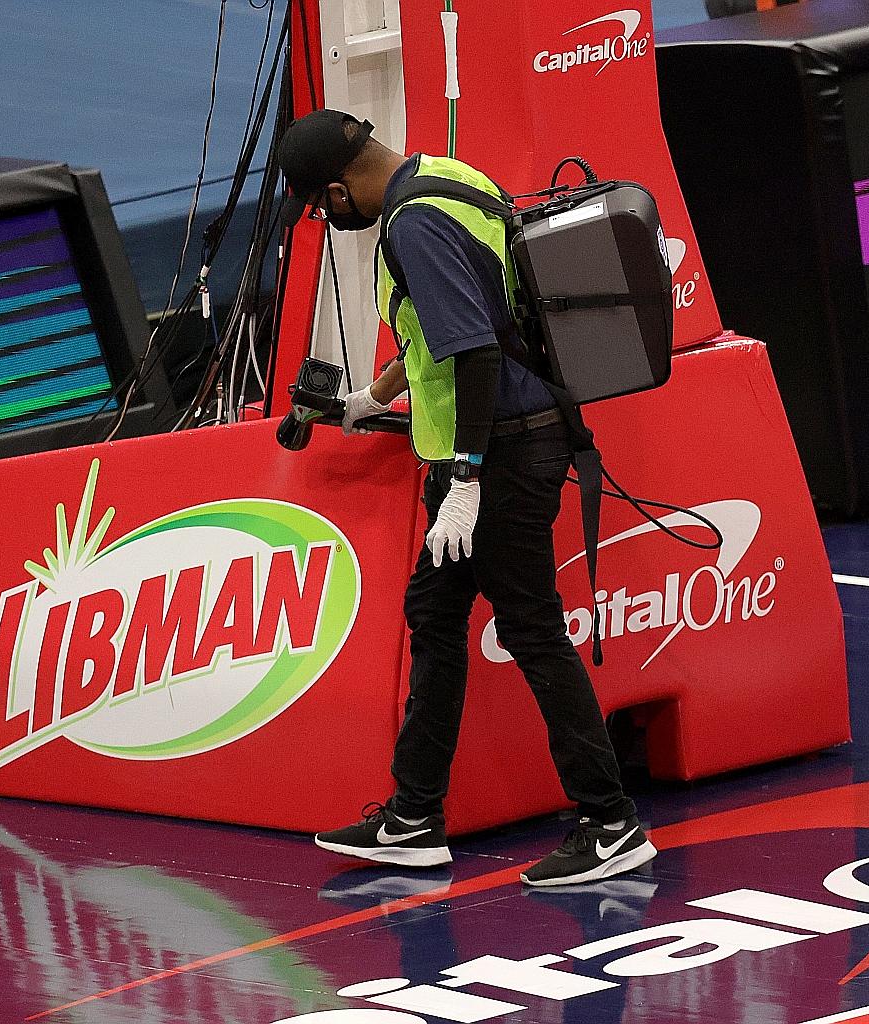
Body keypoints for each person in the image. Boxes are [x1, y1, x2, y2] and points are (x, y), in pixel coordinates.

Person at [277, 108, 656, 887]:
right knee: (436, 616)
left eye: (321, 205)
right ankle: (414, 816)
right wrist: (366, 398)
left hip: (501, 452)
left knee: (531, 629)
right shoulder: (449, 175)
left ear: (341, 190)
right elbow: (442, 330)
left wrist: (467, 479)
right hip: (509, 439)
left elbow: (477, 351)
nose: (327, 218)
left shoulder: (411, 226)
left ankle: (611, 823)